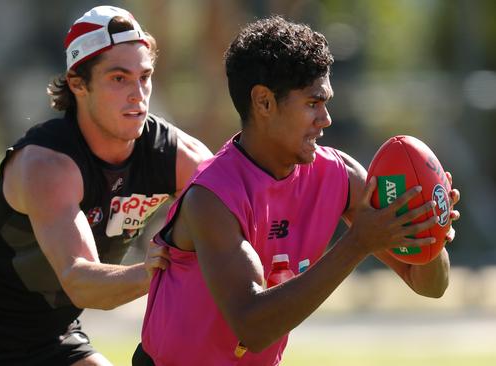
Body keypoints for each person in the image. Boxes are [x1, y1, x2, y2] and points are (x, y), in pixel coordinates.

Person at [0, 5, 212, 366]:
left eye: (144, 76)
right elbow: (81, 280)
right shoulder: (46, 164)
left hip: (46, 336)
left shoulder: (178, 155)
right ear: (77, 83)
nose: (138, 93)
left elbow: (243, 208)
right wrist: (157, 269)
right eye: (119, 78)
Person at [134, 15, 460, 366]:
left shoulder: (339, 174)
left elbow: (429, 285)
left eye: (326, 102)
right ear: (263, 103)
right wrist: (357, 244)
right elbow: (252, 326)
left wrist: (428, 232)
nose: (326, 118)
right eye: (312, 103)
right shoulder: (212, 196)